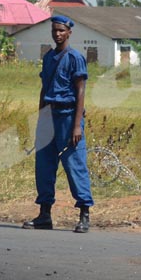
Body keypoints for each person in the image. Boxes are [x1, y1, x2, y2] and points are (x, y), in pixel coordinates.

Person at [23, 15, 94, 233]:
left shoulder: (75, 58)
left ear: (69, 32)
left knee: (74, 165)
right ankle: (44, 214)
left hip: (67, 116)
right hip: (48, 117)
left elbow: (81, 90)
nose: (57, 34)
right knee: (44, 166)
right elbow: (44, 88)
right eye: (54, 30)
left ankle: (84, 213)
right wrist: (40, 118)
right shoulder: (49, 57)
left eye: (61, 30)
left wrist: (76, 125)